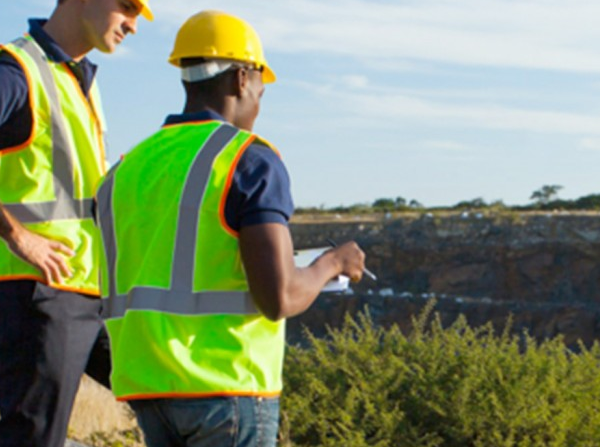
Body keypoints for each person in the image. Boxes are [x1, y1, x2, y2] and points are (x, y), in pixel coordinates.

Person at [95, 9, 366, 447]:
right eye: (261, 86)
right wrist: (333, 262)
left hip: (148, 390)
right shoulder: (249, 160)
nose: (260, 99)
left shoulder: (127, 168)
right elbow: (280, 297)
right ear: (242, 79)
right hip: (227, 389)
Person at [0, 0, 153, 446]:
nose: (133, 25)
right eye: (127, 7)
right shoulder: (17, 70)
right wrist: (18, 235)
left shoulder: (77, 77)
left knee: (168, 394)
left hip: (89, 290)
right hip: (38, 294)